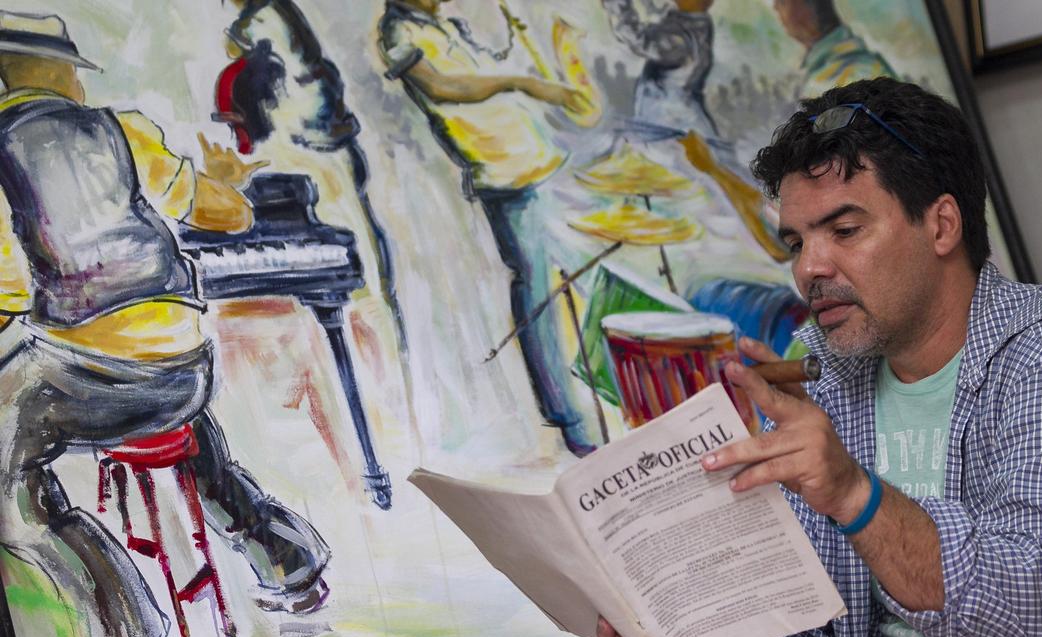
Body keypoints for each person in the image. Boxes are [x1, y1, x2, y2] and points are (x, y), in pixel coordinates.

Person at [599, 77, 1042, 637]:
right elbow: (807, 618)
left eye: (844, 230)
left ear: (942, 225)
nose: (809, 268)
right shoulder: (821, 367)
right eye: (796, 243)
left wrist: (855, 494)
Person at [0, 12, 331, 637]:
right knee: (176, 413)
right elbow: (227, 215)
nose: (76, 79)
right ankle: (287, 561)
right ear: (53, 72)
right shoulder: (120, 132)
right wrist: (215, 187)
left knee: (8, 472)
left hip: (88, 378)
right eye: (71, 69)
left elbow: (11, 288)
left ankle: (115, 621)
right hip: (183, 368)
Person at [378, 0, 597, 455]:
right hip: (506, 178)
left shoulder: (443, 25)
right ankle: (568, 418)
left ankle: (594, 400)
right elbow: (444, 86)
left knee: (580, 281)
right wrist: (522, 81)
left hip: (536, 164)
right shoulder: (400, 35)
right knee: (538, 295)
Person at [220, 0, 408, 351]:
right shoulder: (282, 15)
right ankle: (382, 348)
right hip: (330, 145)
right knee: (365, 262)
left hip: (312, 154)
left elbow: (242, 54)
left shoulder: (260, 21)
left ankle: (377, 356)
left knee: (355, 271)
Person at [601, 0, 720, 139]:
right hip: (676, 122)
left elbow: (636, 38)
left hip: (672, 128)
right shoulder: (696, 22)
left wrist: (618, 5)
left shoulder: (680, 39)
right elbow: (657, 16)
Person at [772, 0, 895, 98]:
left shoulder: (859, 72)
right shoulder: (818, 67)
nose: (775, 8)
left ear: (812, 6)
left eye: (782, 1)